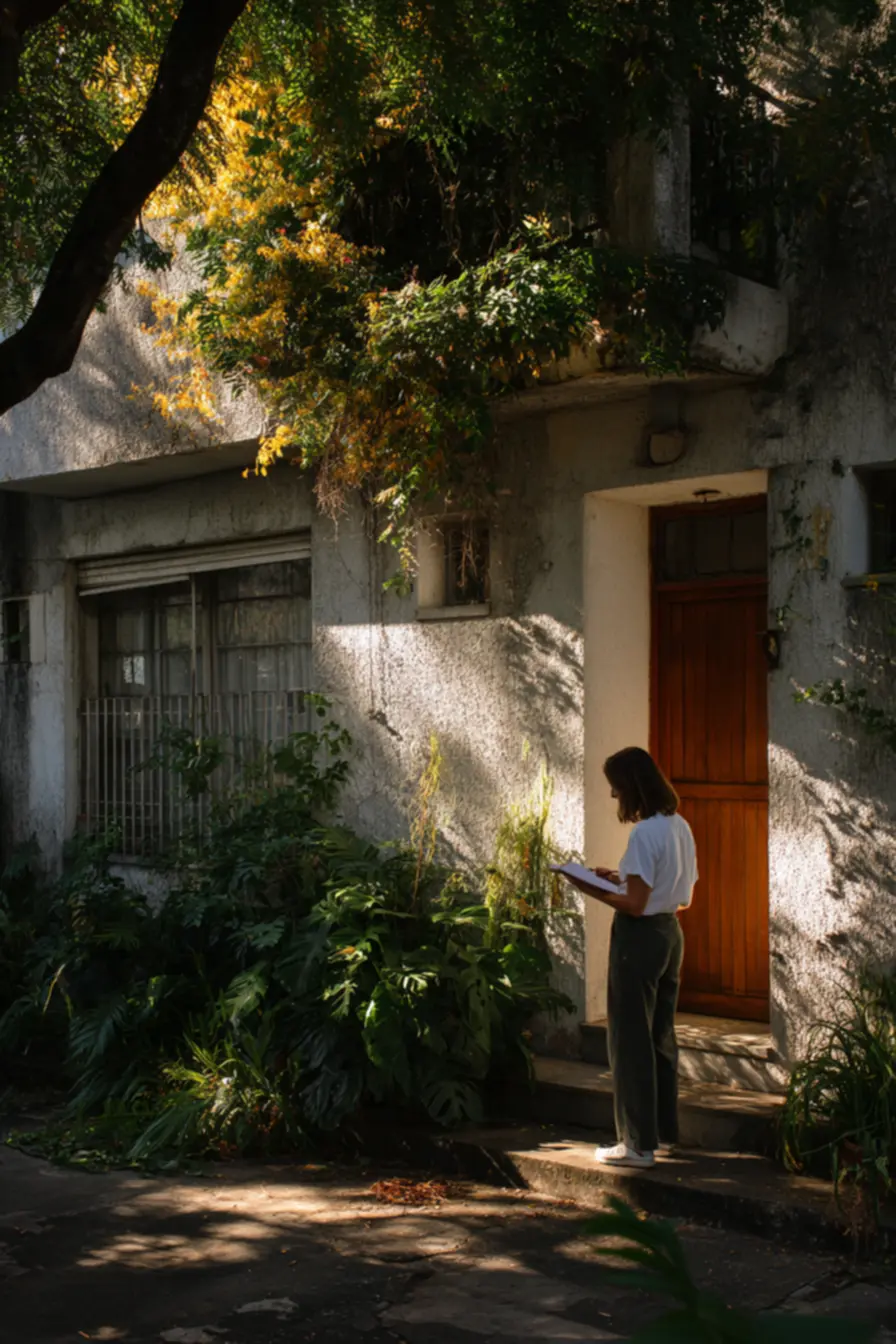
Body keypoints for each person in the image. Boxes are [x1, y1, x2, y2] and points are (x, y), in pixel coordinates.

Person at [564, 746, 697, 1170]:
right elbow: (673, 888)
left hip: (639, 939)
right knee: (660, 1036)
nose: (614, 797)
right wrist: (617, 876)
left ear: (631, 788)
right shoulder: (679, 826)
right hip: (671, 933)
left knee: (629, 1039)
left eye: (616, 789)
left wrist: (583, 884)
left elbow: (635, 905)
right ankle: (662, 1133)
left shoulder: (642, 834)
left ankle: (636, 1145)